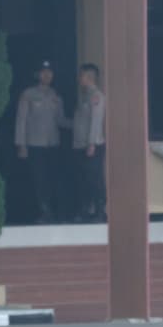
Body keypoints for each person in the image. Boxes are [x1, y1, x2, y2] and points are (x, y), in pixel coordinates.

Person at [14, 60, 69, 223]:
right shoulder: (28, 94)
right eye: (44, 72)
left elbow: (61, 121)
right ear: (37, 74)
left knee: (55, 178)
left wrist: (80, 123)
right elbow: (21, 120)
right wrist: (21, 144)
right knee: (39, 179)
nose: (47, 75)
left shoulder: (56, 95)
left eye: (50, 72)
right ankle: (44, 211)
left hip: (52, 143)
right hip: (34, 144)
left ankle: (59, 212)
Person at [72, 63, 107, 222]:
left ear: (89, 77)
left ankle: (100, 211)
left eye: (81, 75)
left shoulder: (96, 96)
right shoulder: (84, 96)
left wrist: (92, 143)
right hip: (80, 145)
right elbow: (80, 122)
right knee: (83, 179)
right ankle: (86, 210)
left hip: (92, 145)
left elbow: (96, 121)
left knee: (95, 178)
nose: (79, 79)